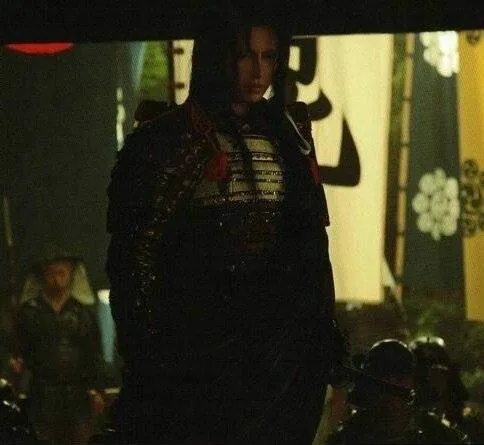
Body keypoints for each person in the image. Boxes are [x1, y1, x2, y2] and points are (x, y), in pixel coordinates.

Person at [103, 5, 347, 445]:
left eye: (268, 56)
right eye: (244, 55)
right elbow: (135, 256)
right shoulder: (167, 138)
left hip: (277, 352)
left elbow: (311, 245)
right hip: (197, 352)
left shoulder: (287, 136)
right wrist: (148, 353)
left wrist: (320, 327)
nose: (258, 71)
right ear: (218, 56)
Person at [14, 247, 106, 445]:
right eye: (51, 273)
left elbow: (93, 353)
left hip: (78, 397)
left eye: (61, 272)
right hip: (42, 397)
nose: (56, 278)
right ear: (42, 277)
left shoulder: (82, 313)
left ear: (71, 275)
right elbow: (20, 351)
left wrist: (97, 389)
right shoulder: (30, 313)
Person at [326, 338, 470, 444]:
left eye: (399, 378)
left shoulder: (438, 435)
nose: (390, 384)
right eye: (382, 377)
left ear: (414, 381)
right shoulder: (348, 437)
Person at [410, 335, 484, 443]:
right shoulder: (404, 415)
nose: (432, 377)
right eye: (425, 370)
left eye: (438, 371)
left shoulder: (466, 420)